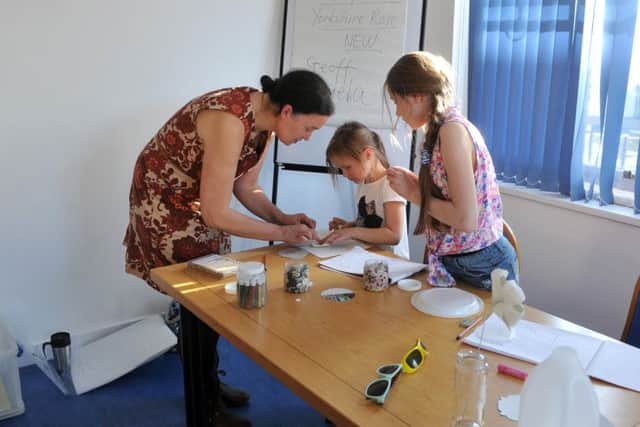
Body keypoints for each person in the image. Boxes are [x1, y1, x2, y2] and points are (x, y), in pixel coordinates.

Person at [123, 69, 334, 427]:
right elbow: (218, 212)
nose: (307, 137)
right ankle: (203, 409)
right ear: (287, 112)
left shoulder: (266, 125)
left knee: (214, 299)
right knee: (198, 302)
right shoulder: (230, 120)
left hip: (199, 203)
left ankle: (209, 386)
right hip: (165, 201)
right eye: (308, 128)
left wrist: (282, 219)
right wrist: (280, 234)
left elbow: (245, 188)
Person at [384, 51, 517, 288]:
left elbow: (466, 219)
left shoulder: (451, 132)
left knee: (492, 326)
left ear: (416, 96)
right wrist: (416, 186)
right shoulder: (438, 130)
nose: (398, 113)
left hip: (481, 264)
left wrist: (414, 194)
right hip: (459, 261)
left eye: (397, 102)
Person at [321, 121, 410, 259]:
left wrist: (353, 232)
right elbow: (370, 222)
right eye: (341, 169)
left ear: (368, 154)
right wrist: (350, 226)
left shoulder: (391, 183)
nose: (344, 174)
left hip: (392, 265)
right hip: (370, 259)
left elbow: (393, 235)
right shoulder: (363, 184)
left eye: (348, 167)